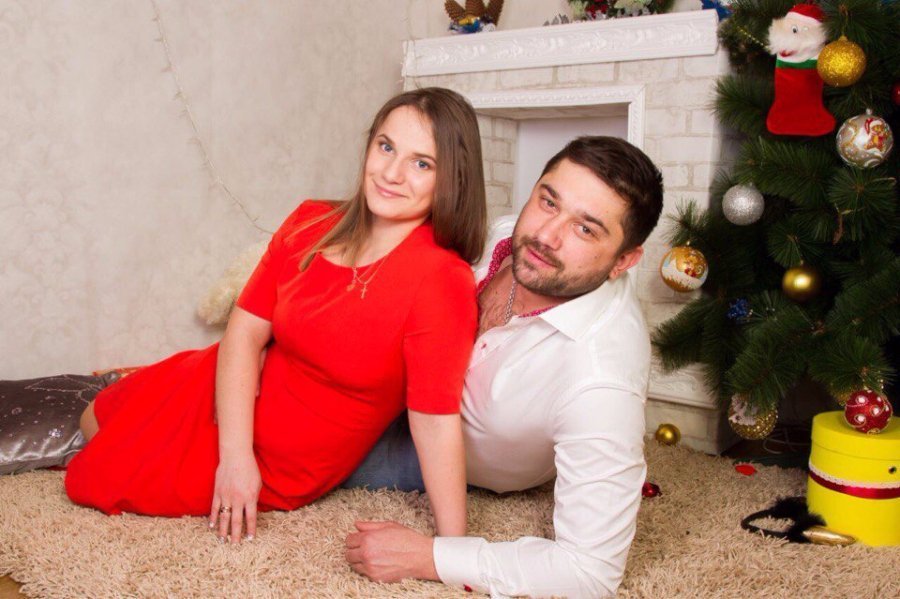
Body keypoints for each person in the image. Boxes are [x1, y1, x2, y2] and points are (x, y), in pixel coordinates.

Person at [64, 87, 487, 545]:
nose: (391, 173)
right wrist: (235, 457)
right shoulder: (311, 221)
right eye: (386, 147)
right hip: (225, 388)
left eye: (421, 164)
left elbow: (435, 420)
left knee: (89, 479)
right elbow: (244, 333)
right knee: (92, 418)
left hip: (284, 460)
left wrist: (454, 550)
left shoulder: (442, 280)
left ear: (452, 179)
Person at [343, 136, 664, 598]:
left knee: (282, 454)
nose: (546, 235)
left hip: (435, 449)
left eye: (585, 229)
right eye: (548, 201)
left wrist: (432, 557)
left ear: (625, 261)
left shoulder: (603, 378)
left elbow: (591, 573)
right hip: (382, 374)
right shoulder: (506, 234)